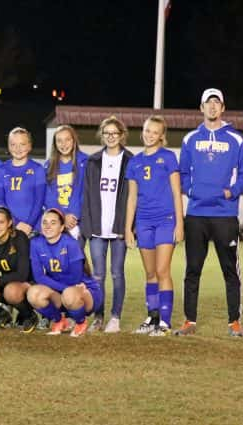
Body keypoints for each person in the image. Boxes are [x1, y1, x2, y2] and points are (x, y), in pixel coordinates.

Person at [176, 88, 243, 337]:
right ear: (201, 108)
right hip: (197, 214)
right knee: (193, 270)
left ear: (222, 108)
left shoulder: (236, 139)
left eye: (216, 103)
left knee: (230, 270)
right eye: (207, 103)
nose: (212, 107)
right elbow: (182, 173)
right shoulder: (190, 139)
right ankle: (189, 320)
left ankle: (234, 322)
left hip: (225, 214)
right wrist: (191, 190)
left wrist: (232, 191)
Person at [125, 115, 184, 336]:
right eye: (147, 130)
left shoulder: (168, 158)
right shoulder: (135, 162)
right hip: (143, 222)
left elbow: (177, 193)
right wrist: (127, 228)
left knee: (162, 270)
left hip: (166, 220)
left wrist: (180, 223)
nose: (150, 135)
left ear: (162, 136)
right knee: (150, 273)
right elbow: (131, 198)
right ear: (143, 132)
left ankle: (165, 322)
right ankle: (153, 317)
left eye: (155, 132)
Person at [80, 116, 134, 333]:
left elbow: (134, 197)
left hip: (119, 227)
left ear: (122, 135)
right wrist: (88, 227)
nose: (111, 137)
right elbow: (86, 195)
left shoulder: (131, 160)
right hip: (97, 228)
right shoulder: (93, 161)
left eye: (115, 133)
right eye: (107, 133)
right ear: (101, 135)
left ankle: (115, 317)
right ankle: (99, 316)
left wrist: (130, 227)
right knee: (98, 275)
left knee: (117, 273)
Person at [26, 208, 103, 337]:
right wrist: (60, 291)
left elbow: (75, 278)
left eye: (53, 223)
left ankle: (80, 322)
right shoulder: (35, 243)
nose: (48, 226)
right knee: (33, 293)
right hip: (62, 290)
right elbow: (39, 276)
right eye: (44, 222)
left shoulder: (71, 243)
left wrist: (64, 291)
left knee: (69, 294)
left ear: (62, 227)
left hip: (84, 291)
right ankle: (59, 321)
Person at [0, 127, 45, 238]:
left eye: (22, 144)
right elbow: (0, 200)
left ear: (29, 146)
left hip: (33, 228)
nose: (17, 148)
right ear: (8, 146)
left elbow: (39, 201)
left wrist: (29, 224)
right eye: (13, 144)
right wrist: (15, 222)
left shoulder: (37, 169)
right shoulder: (1, 169)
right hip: (10, 227)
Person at [43, 125, 88, 241]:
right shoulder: (48, 166)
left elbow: (84, 192)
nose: (64, 144)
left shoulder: (85, 162)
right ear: (55, 144)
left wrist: (73, 217)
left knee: (76, 256)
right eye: (59, 141)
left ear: (74, 141)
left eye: (67, 140)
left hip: (76, 220)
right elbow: (48, 196)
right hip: (57, 219)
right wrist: (62, 216)